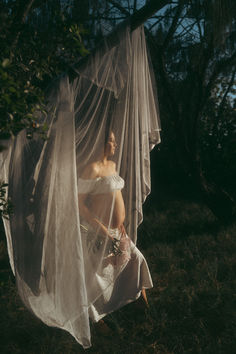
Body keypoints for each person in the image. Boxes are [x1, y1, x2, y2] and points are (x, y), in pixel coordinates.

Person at [77, 130, 153, 332]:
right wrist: (102, 230)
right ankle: (98, 323)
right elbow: (80, 204)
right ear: (100, 143)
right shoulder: (91, 169)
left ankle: (145, 314)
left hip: (119, 231)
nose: (115, 144)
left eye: (115, 140)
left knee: (136, 260)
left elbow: (116, 198)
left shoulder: (112, 165)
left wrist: (123, 230)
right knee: (97, 279)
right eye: (111, 141)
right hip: (99, 232)